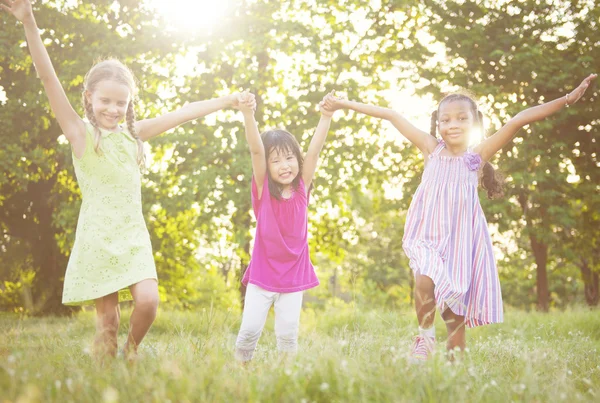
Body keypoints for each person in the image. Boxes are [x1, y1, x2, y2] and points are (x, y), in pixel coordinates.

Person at [2, 0, 248, 362]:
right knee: (108, 323)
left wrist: (226, 100)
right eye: (105, 101)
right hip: (98, 235)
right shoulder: (79, 134)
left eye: (121, 103)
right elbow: (47, 77)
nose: (113, 109)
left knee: (148, 301)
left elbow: (182, 113)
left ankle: (130, 353)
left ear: (129, 103)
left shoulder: (135, 135)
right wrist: (29, 22)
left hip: (132, 233)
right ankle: (108, 378)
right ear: (89, 98)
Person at [323, 74, 596, 360]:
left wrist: (567, 99)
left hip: (460, 243)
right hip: (426, 236)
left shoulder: (477, 156)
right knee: (424, 279)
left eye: (461, 119)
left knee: (455, 317)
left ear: (474, 123)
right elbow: (390, 114)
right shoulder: (431, 149)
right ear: (438, 124)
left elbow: (518, 120)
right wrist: (343, 103)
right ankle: (425, 338)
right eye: (446, 120)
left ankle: (456, 369)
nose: (452, 125)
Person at [233, 91, 337, 362]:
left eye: (289, 158)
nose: (284, 165)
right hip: (263, 275)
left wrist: (326, 116)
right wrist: (248, 114)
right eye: (276, 160)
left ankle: (285, 376)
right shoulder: (262, 190)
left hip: (293, 276)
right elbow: (256, 148)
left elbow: (315, 149)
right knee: (249, 331)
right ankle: (240, 372)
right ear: (266, 165)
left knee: (288, 335)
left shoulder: (302, 187)